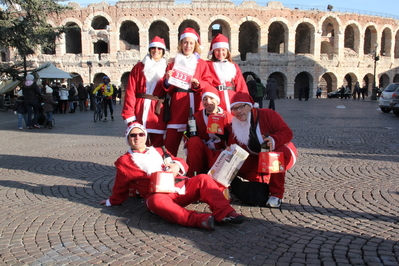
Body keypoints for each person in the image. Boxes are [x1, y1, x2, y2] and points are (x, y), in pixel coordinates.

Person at [100, 123, 245, 231]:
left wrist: (177, 166)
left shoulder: (158, 150)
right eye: (133, 135)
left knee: (204, 179)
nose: (137, 138)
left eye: (141, 134)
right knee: (156, 202)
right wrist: (111, 201)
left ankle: (226, 213)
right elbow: (121, 186)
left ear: (145, 136)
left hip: (180, 187)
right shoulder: (124, 161)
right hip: (159, 195)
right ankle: (199, 220)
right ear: (128, 138)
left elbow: (181, 162)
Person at [226, 92, 297, 208]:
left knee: (277, 153)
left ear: (250, 105)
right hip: (257, 159)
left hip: (282, 155)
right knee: (231, 158)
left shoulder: (268, 114)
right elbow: (232, 146)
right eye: (234, 108)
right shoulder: (235, 124)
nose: (238, 111)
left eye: (241, 106)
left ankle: (276, 194)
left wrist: (273, 140)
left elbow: (287, 133)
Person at [163, 27, 213, 156]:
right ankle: (168, 169)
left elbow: (208, 82)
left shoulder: (202, 64)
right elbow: (166, 88)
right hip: (178, 105)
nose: (188, 46)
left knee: (195, 142)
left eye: (191, 43)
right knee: (170, 142)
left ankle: (194, 171)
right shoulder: (172, 63)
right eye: (185, 42)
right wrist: (167, 80)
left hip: (196, 103)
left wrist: (199, 83)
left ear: (195, 45)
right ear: (181, 44)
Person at [122, 36, 168, 147]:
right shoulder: (138, 67)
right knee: (139, 142)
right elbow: (130, 92)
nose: (156, 51)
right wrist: (129, 115)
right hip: (140, 108)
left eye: (159, 48)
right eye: (153, 48)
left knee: (158, 143)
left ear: (163, 51)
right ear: (149, 49)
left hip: (158, 111)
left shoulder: (168, 68)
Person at [185, 86, 232, 177]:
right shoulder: (196, 117)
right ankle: (193, 176)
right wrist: (188, 133)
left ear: (217, 101)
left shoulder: (228, 117)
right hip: (203, 150)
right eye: (205, 99)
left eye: (211, 98)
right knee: (193, 141)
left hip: (220, 151)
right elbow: (187, 137)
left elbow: (234, 139)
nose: (208, 102)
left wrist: (225, 135)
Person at [206, 33, 248, 112]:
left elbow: (241, 86)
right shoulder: (208, 65)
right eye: (217, 50)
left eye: (223, 50)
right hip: (216, 99)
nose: (220, 53)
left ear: (227, 51)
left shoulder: (234, 66)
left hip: (232, 99)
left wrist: (245, 102)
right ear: (213, 52)